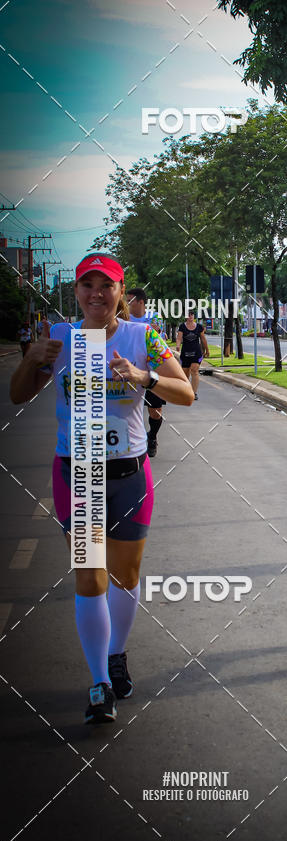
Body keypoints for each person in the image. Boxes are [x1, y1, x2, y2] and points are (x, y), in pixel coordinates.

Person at [10, 253, 194, 723]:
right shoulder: (58, 338)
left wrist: (142, 376)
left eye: (106, 285)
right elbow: (17, 394)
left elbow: (185, 392)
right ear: (76, 293)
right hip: (79, 473)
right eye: (87, 286)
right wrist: (31, 360)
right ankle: (100, 683)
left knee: (124, 577)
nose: (97, 294)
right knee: (90, 576)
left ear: (120, 290)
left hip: (130, 473)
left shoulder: (143, 336)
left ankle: (116, 653)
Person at [126, 287, 167, 457]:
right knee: (126, 408)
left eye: (129, 301)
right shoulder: (124, 318)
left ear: (140, 302)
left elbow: (156, 334)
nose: (126, 304)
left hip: (152, 370)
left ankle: (153, 437)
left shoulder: (154, 316)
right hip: (130, 370)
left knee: (155, 411)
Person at [176, 312, 210, 400]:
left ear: (194, 316)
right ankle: (186, 391)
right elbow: (179, 337)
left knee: (194, 371)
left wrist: (207, 349)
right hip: (185, 353)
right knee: (185, 373)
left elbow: (203, 339)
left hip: (196, 352)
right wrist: (178, 345)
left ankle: (194, 393)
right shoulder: (182, 326)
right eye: (188, 314)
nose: (190, 316)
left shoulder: (199, 327)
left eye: (192, 314)